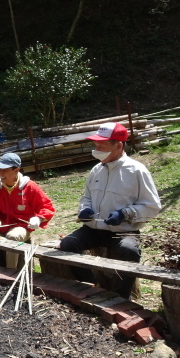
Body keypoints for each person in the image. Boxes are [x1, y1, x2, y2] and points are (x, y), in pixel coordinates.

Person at [59, 122, 162, 299]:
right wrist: (85, 209)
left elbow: (152, 206)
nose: (97, 148)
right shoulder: (96, 170)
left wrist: (125, 214)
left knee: (130, 252)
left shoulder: (136, 171)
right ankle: (92, 287)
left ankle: (120, 297)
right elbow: (86, 197)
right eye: (96, 144)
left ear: (119, 145)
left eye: (102, 145)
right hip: (93, 230)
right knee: (68, 245)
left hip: (124, 231)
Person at [0, 152, 56, 267]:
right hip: (1, 227)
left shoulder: (30, 186)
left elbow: (47, 207)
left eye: (4, 170)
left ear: (16, 170)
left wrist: (39, 219)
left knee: (13, 237)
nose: (0, 173)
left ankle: (11, 274)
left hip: (21, 227)